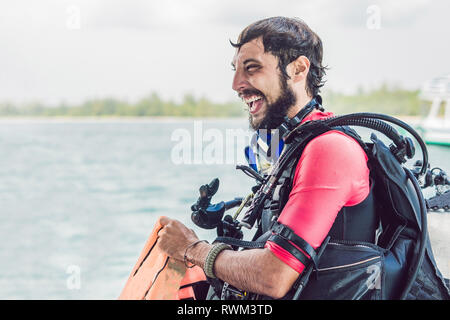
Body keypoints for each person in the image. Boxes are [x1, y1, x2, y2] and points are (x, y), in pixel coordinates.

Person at [156, 17, 449, 300]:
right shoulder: (295, 144)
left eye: (252, 68)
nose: (236, 83)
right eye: (235, 70)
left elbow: (274, 275)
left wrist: (193, 249)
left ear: (298, 69)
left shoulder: (330, 149)